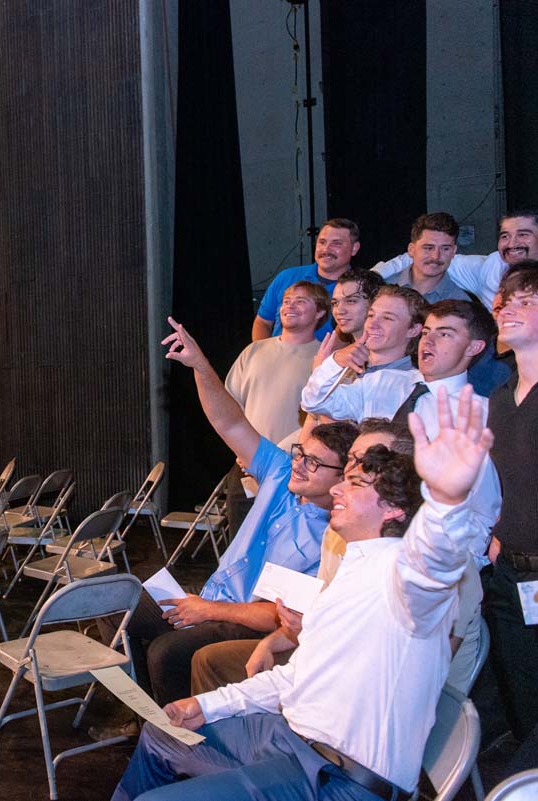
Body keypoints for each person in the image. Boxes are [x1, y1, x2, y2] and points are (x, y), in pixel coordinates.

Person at [112, 386, 492, 801]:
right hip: (290, 739)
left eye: (355, 483)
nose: (337, 491)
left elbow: (437, 563)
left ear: (394, 509)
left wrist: (447, 501)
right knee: (161, 737)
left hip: (338, 779)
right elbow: (298, 674)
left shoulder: (405, 575)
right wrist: (208, 706)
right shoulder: (355, 564)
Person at [120, 318, 355, 708]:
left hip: (241, 620)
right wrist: (199, 364)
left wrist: (207, 610)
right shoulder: (280, 473)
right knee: (120, 608)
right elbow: (228, 420)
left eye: (313, 463)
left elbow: (283, 619)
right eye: (300, 453)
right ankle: (147, 718)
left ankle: (182, 738)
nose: (299, 463)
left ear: (341, 478)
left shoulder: (335, 537)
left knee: (167, 653)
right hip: (214, 599)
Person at [301, 298, 501, 551]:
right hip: (363, 537)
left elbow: (484, 504)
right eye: (426, 331)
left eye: (445, 334)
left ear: (474, 347)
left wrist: (463, 562)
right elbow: (315, 401)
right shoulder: (385, 382)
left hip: (430, 547)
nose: (428, 341)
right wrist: (335, 362)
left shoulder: (479, 414)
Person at [483, 262, 538, 749]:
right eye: (505, 301)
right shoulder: (500, 398)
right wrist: (499, 536)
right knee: (523, 694)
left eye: (526, 301)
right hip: (510, 576)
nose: (508, 309)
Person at [223, 281, 328, 531]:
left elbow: (322, 420)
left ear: (321, 312)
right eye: (287, 300)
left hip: (294, 472)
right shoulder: (253, 351)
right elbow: (228, 409)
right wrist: (241, 450)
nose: (290, 305)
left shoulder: (325, 361)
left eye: (301, 301)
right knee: (239, 551)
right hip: (245, 469)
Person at [375, 208, 538, 309]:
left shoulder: (459, 301)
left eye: (523, 234)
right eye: (505, 236)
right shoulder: (488, 267)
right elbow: (416, 260)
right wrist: (369, 280)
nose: (512, 243)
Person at [252, 218, 361, 341]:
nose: (326, 249)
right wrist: (262, 353)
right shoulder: (286, 277)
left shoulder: (360, 289)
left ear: (354, 248)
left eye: (337, 243)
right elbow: (263, 322)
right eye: (322, 242)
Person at [381, 212, 473, 303]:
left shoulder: (460, 304)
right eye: (428, 248)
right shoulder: (381, 289)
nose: (436, 256)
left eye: (445, 249)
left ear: (453, 252)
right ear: (411, 249)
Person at [329, 269, 384, 344]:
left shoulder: (391, 352)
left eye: (351, 301)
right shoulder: (338, 353)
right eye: (335, 303)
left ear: (375, 302)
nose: (339, 311)